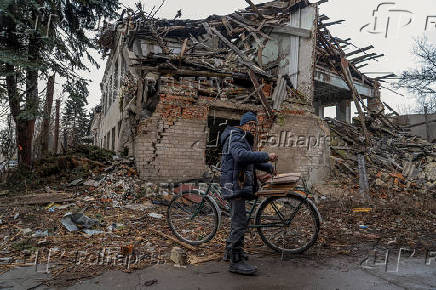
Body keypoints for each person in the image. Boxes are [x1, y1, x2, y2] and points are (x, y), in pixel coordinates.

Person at [220, 111, 278, 275]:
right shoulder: (235, 136)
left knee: (238, 220)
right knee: (239, 222)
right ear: (243, 124)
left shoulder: (241, 137)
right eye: (250, 124)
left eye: (255, 124)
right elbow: (240, 156)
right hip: (235, 185)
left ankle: (230, 252)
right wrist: (266, 155)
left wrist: (268, 167)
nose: (253, 127)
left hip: (237, 183)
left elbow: (249, 161)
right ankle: (236, 262)